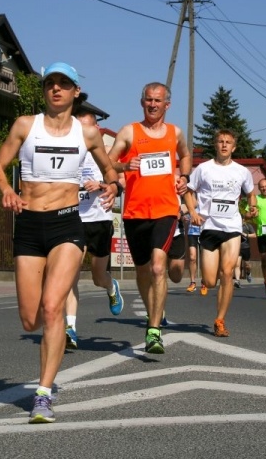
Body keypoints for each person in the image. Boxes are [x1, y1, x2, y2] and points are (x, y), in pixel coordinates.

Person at [0, 62, 120, 424]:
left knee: (51, 308)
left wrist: (111, 185)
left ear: (76, 91)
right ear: (44, 89)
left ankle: (43, 393)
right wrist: (6, 190)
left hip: (67, 225)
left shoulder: (87, 132)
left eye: (64, 84)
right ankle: (54, 333)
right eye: (50, 83)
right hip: (29, 225)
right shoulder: (24, 125)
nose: (56, 89)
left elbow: (110, 169)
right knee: (30, 319)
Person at [108, 82, 191, 354]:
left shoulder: (175, 132)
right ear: (142, 102)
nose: (153, 104)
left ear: (167, 104)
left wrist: (184, 176)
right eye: (149, 100)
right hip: (135, 212)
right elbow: (107, 161)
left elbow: (185, 155)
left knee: (157, 267)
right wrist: (124, 165)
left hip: (165, 210)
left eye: (158, 100)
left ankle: (154, 330)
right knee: (143, 271)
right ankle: (153, 310)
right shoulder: (129, 132)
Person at [63, 99, 125, 350]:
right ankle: (70, 328)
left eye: (87, 128)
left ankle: (111, 286)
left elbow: (120, 183)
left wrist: (101, 185)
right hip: (73, 219)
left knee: (98, 276)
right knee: (70, 275)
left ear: (96, 130)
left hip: (99, 220)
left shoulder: (104, 154)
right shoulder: (67, 151)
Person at [184, 129, 257, 337]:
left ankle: (220, 320)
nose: (224, 145)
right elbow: (188, 191)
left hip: (232, 226)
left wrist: (253, 207)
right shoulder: (203, 169)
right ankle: (208, 280)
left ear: (234, 147)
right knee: (210, 281)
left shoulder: (242, 171)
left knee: (227, 272)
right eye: (221, 141)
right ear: (215, 145)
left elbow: (251, 194)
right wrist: (192, 212)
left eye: (228, 142)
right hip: (209, 226)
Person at [234, 219, 255, 288]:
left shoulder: (248, 226)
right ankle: (237, 281)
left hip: (246, 247)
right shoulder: (235, 226)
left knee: (247, 265)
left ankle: (248, 273)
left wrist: (246, 235)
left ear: (243, 220)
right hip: (237, 247)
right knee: (237, 265)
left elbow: (254, 235)